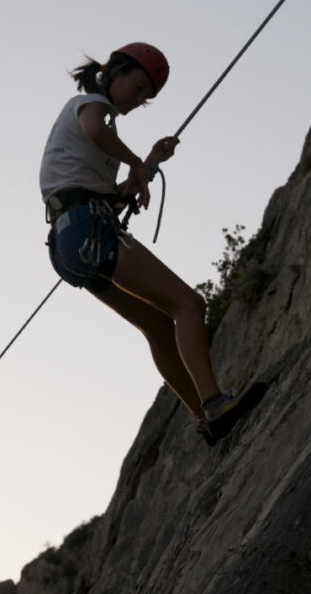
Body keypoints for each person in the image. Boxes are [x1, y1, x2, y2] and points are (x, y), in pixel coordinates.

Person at [39, 42, 266, 445]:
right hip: (88, 229)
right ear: (116, 71)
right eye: (139, 87)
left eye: (147, 97)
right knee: (189, 304)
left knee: (160, 328)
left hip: (70, 243)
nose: (139, 99)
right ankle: (214, 403)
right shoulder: (94, 106)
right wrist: (136, 164)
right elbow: (96, 129)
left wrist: (150, 162)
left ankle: (204, 417)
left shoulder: (95, 138)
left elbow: (113, 192)